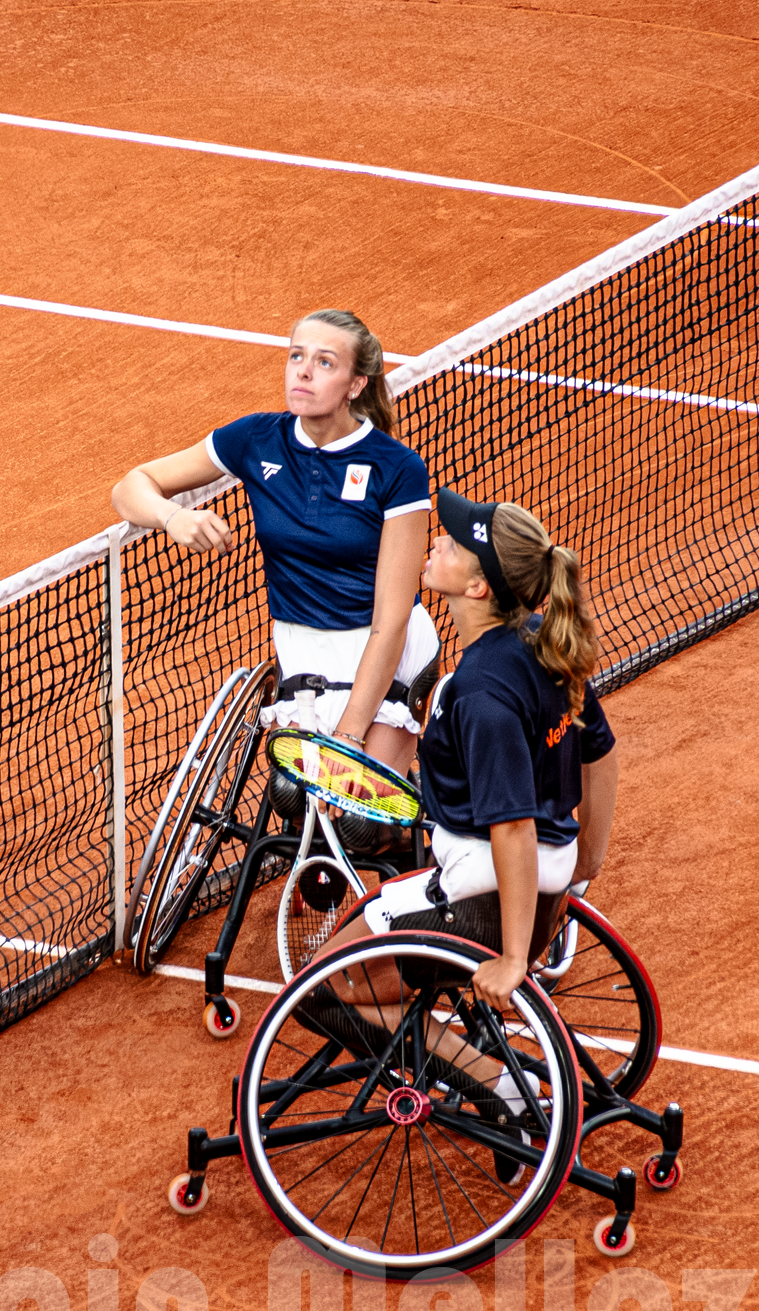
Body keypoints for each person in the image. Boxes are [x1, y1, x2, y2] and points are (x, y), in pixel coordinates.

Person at [319, 490, 618, 1167]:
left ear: (479, 585)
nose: (436, 545)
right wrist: (586, 860)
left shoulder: (480, 692)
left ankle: (496, 1088)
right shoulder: (542, 644)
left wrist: (514, 959)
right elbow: (601, 751)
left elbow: (510, 826)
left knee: (331, 983)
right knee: (364, 927)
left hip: (484, 906)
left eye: (451, 545)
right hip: (535, 889)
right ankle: (475, 1068)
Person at [111, 309, 436, 770]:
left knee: (359, 822)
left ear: (355, 385)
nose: (303, 370)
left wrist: (348, 734)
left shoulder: (398, 469)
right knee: (295, 802)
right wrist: (173, 517)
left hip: (381, 647)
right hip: (301, 646)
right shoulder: (257, 439)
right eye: (296, 356)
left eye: (325, 362)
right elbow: (129, 488)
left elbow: (392, 618)